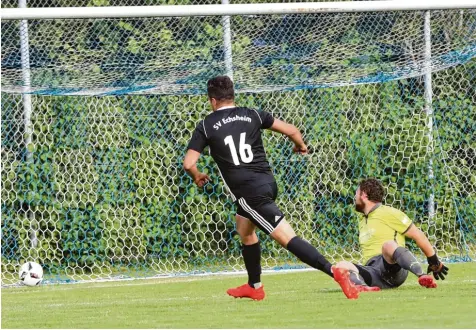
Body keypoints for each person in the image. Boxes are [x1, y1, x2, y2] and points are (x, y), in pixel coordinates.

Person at [183, 75, 369, 300]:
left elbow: (188, 163)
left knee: (288, 238)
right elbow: (292, 130)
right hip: (268, 184)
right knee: (245, 229)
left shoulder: (206, 125)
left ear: (212, 101)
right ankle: (254, 286)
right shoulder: (252, 114)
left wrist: (197, 175)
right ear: (233, 96)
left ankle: (334, 271)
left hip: (249, 194)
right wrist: (300, 146)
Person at [335, 178, 449, 291]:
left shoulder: (388, 213)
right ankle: (363, 287)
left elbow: (417, 235)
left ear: (364, 195)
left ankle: (422, 275)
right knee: (340, 265)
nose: (354, 198)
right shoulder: (362, 220)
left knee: (388, 245)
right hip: (373, 272)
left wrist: (434, 261)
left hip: (392, 268)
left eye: (356, 194)